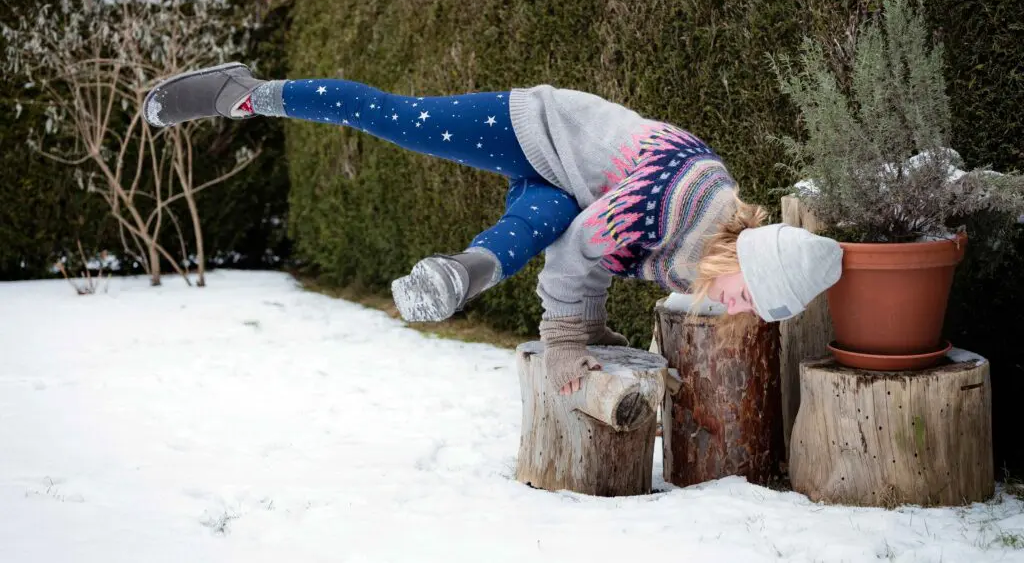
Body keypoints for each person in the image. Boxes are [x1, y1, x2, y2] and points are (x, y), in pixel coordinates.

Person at [144, 63, 843, 396]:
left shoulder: (708, 243)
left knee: (540, 221)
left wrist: (592, 329)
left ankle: (458, 276)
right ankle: (246, 94)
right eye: (753, 295)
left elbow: (594, 243)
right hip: (536, 125)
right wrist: (567, 337)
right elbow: (586, 250)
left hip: (571, 190)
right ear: (748, 257)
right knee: (397, 116)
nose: (741, 309)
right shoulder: (674, 204)